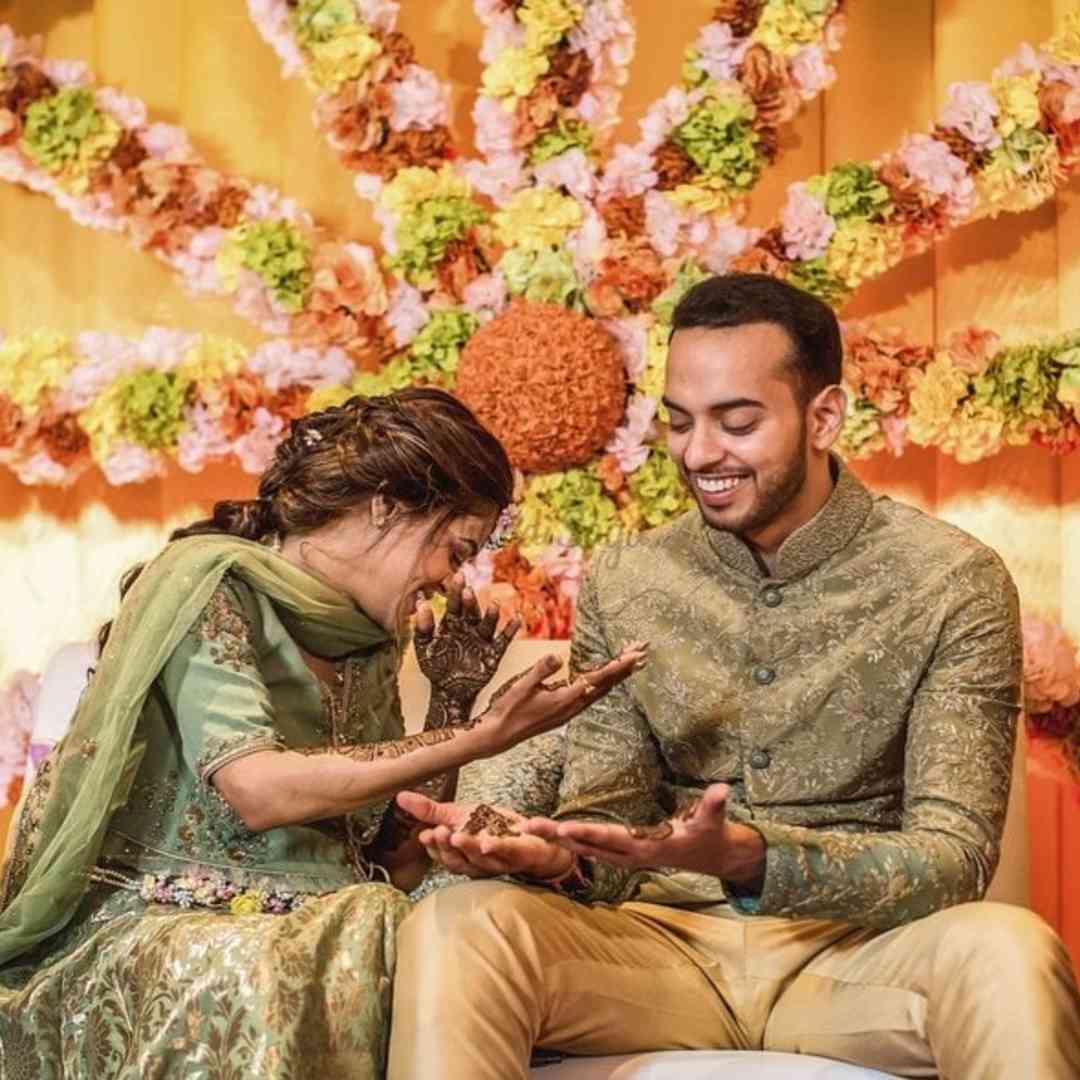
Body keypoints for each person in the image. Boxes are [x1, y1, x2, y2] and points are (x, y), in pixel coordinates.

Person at [388, 275, 1080, 1080]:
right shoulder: (630, 579)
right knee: (458, 924)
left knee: (1011, 951)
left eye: (738, 422)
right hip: (658, 952)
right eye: (681, 422)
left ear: (824, 416)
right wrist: (561, 857)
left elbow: (953, 859)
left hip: (862, 956)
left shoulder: (949, 580)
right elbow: (606, 820)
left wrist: (756, 857)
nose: (698, 453)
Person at [0, 388, 645, 1079]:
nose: (447, 580)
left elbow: (394, 864)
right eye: (454, 551)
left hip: (323, 918)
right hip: (166, 920)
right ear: (386, 507)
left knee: (417, 928)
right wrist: (482, 735)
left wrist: (452, 706)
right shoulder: (209, 586)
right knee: (291, 962)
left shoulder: (367, 636)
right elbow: (257, 789)